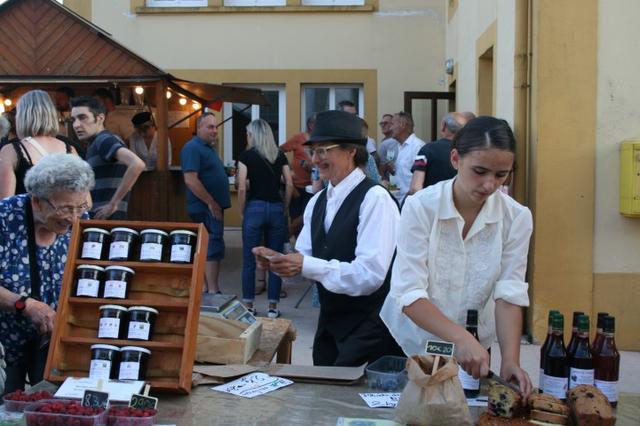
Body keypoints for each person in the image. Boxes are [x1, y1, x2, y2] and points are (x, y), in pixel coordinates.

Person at [380, 116, 533, 398]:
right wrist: (460, 338)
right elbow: (409, 293)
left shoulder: (516, 218)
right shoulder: (420, 208)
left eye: (501, 175)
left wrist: (510, 360)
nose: (489, 185)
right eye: (480, 171)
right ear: (455, 159)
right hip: (411, 339)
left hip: (473, 348)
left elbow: (509, 294)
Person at [253, 110, 402, 366]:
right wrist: (281, 263)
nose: (315, 160)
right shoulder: (318, 201)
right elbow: (307, 262)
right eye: (313, 151)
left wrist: (303, 264)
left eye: (323, 150)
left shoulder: (375, 199)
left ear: (351, 151)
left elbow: (370, 275)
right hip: (330, 323)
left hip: (371, 327)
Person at [0, 154, 94, 393]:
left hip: (54, 344)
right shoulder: (4, 218)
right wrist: (25, 305)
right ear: (36, 202)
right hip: (4, 343)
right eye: (65, 208)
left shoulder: (81, 219)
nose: (73, 218)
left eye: (80, 206)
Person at [237, 119, 293, 318]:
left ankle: (249, 305)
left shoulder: (246, 156)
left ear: (252, 135)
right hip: (276, 209)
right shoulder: (279, 155)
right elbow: (289, 184)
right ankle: (272, 307)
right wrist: (284, 207)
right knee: (276, 259)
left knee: (249, 259)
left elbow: (242, 186)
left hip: (255, 208)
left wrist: (242, 210)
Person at [70, 96, 145, 220]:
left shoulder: (104, 139)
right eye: (73, 119)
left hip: (107, 223)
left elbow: (137, 164)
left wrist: (113, 204)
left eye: (82, 118)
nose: (76, 125)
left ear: (100, 118)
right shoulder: (95, 143)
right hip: (102, 222)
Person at [181, 113, 231, 294]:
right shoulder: (192, 148)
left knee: (210, 245)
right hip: (205, 207)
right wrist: (211, 203)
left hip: (211, 206)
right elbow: (190, 180)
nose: (215, 131)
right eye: (210, 127)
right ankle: (212, 291)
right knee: (212, 246)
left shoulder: (206, 148)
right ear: (199, 128)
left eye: (216, 127)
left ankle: (207, 289)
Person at [0, 90, 76, 199]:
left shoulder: (11, 151)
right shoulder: (70, 149)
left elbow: (5, 203)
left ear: (22, 116)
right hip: (62, 215)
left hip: (28, 215)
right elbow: (85, 201)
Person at [408, 112, 467, 195]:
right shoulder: (468, 152)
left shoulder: (426, 150)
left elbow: (415, 187)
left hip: (431, 203)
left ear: (443, 126)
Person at [280, 113, 315, 238]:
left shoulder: (319, 140)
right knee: (294, 215)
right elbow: (280, 151)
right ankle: (295, 243)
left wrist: (311, 166)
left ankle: (286, 236)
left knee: (306, 215)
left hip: (312, 186)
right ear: (311, 125)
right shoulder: (298, 138)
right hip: (295, 186)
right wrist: (287, 168)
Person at [388, 111, 425, 203]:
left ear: (403, 125)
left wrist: (406, 200)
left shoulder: (418, 147)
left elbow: (421, 179)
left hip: (410, 202)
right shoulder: (396, 146)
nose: (390, 128)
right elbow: (397, 176)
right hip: (396, 201)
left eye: (392, 124)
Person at [377, 113, 399, 180]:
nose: (383, 125)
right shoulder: (383, 142)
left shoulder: (399, 141)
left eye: (385, 123)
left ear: (392, 124)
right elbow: (381, 168)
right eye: (381, 123)